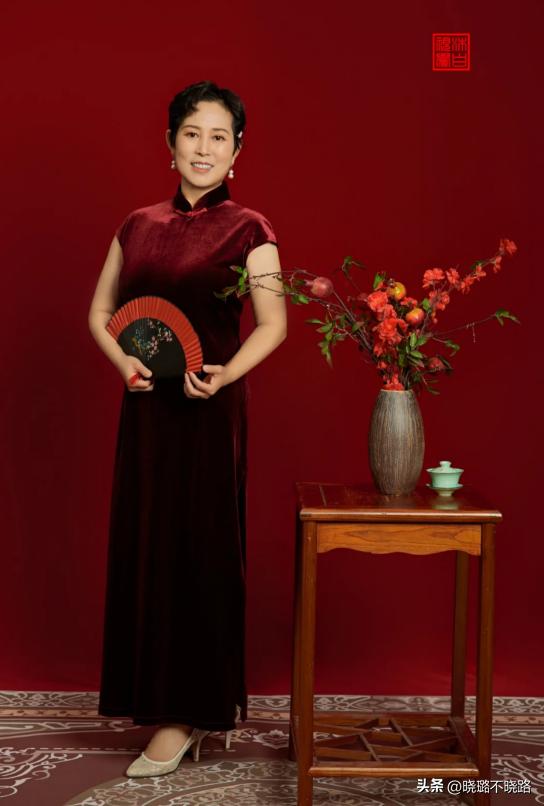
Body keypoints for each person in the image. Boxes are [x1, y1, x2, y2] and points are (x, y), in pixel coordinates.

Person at [88, 80, 287, 778]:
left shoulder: (250, 228)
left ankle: (189, 713)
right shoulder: (136, 225)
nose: (204, 148)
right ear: (170, 142)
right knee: (148, 546)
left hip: (208, 410)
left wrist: (225, 376)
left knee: (200, 550)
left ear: (237, 150)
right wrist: (123, 363)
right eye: (192, 133)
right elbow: (100, 313)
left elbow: (274, 325)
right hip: (146, 409)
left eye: (219, 137)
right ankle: (157, 702)